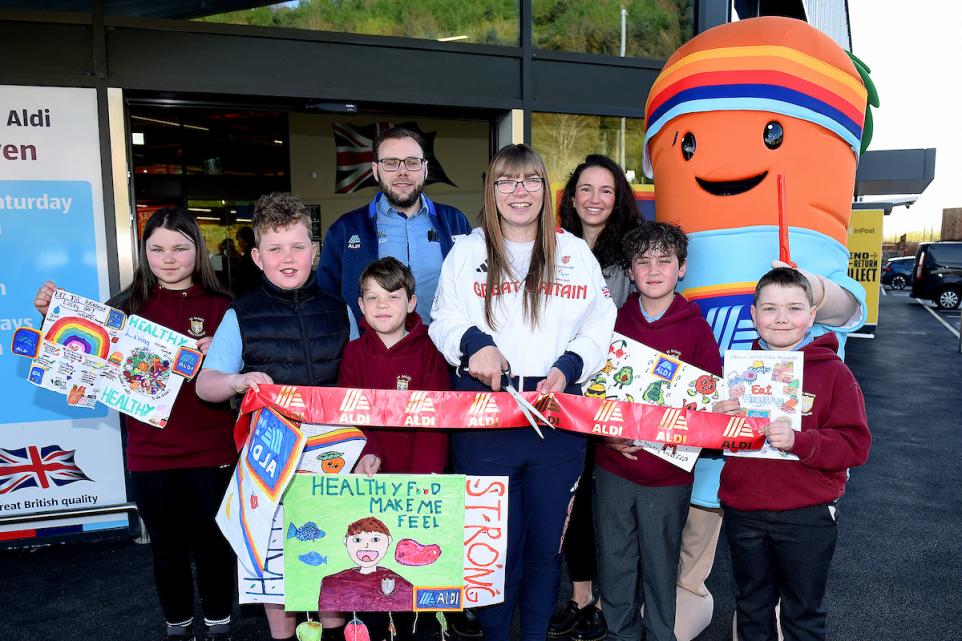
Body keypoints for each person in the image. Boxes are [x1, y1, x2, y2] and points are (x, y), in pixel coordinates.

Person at [429, 144, 617, 641]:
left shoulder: (573, 252)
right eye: (507, 181)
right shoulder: (467, 251)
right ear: (491, 191)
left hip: (556, 421)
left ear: (545, 190)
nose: (519, 191)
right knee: (493, 549)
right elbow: (443, 318)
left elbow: (602, 320)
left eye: (530, 180)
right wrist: (474, 344)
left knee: (543, 550)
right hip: (484, 420)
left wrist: (571, 364)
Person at [34, 208, 237, 641]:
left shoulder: (225, 308)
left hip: (213, 450)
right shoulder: (124, 308)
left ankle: (221, 623)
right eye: (157, 248)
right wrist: (50, 317)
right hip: (150, 454)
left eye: (180, 248)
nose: (169, 258)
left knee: (214, 546)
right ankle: (177, 624)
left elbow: (249, 375)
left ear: (197, 250)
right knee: (166, 550)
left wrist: (221, 353)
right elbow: (76, 361)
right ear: (144, 252)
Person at [196, 192, 351, 641]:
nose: (288, 258)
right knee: (276, 569)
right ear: (258, 257)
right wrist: (238, 382)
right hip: (270, 463)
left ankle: (334, 632)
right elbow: (206, 384)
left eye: (298, 247)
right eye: (276, 249)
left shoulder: (341, 309)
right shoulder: (240, 313)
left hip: (334, 459)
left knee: (333, 562)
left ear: (315, 252)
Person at [713, 267, 871, 641]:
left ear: (812, 316)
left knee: (803, 614)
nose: (781, 317)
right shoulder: (736, 373)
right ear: (753, 316)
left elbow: (855, 446)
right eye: (769, 308)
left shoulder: (835, 374)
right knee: (751, 607)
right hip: (745, 510)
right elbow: (715, 444)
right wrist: (716, 423)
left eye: (794, 308)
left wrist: (801, 441)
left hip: (807, 515)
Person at [594, 223, 722, 641]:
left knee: (661, 563)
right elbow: (590, 391)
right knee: (614, 561)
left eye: (664, 260)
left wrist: (701, 425)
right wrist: (604, 434)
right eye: (643, 261)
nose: (653, 269)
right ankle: (619, 632)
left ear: (681, 268)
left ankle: (661, 633)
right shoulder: (609, 323)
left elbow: (711, 399)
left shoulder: (695, 329)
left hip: (668, 476)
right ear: (630, 270)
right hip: (614, 466)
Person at [550, 154, 641, 641]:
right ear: (572, 195)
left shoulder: (631, 254)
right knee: (576, 501)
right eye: (585, 189)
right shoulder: (551, 249)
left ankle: (611, 599)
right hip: (564, 392)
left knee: (614, 505)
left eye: (605, 190)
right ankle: (580, 595)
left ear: (618, 197)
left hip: (615, 392)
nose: (594, 199)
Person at [337, 257, 450, 641]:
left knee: (414, 578)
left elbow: (436, 420)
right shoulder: (352, 354)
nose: (382, 305)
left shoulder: (431, 350)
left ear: (412, 302)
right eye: (372, 297)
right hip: (371, 478)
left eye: (392, 296)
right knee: (372, 569)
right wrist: (368, 449)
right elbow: (353, 416)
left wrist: (423, 482)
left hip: (417, 483)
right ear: (360, 305)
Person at [317, 126, 473, 327]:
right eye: (390, 163)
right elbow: (326, 301)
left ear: (425, 169)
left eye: (412, 163)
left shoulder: (455, 222)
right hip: (373, 354)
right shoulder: (345, 230)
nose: (403, 172)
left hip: (443, 352)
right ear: (375, 171)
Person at [317, 517, 415, 612]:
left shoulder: (399, 583)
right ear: (346, 541)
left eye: (375, 540)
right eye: (357, 540)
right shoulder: (331, 583)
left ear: (389, 540)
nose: (366, 545)